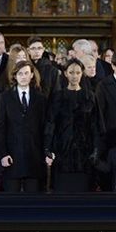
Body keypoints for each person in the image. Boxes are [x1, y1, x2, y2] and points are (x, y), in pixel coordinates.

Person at [44, 58, 103, 192]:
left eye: (77, 72)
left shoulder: (90, 97)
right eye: (71, 72)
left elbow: (96, 125)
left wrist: (96, 149)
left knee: (84, 193)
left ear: (82, 73)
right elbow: (50, 123)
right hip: (62, 151)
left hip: (85, 153)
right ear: (65, 73)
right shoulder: (57, 97)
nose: (74, 76)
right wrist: (47, 148)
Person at [0, 60, 47, 192]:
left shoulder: (40, 98)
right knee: (11, 201)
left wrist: (46, 152)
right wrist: (3, 154)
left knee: (34, 201)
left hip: (34, 156)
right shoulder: (5, 97)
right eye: (20, 74)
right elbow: (0, 128)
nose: (23, 76)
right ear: (15, 76)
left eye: (26, 73)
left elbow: (44, 127)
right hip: (12, 156)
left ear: (31, 75)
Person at [27, 36, 60, 100]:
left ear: (43, 50)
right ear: (28, 50)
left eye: (39, 48)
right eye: (33, 48)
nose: (36, 51)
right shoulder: (25, 68)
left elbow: (56, 94)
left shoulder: (52, 70)